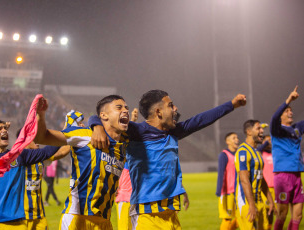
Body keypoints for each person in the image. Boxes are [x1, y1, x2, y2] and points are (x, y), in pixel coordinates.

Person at [89, 90, 247, 229]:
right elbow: (99, 118)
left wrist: (232, 105)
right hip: (147, 215)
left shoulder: (174, 132)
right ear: (158, 112)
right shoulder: (136, 132)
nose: (175, 109)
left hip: (171, 214)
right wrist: (96, 126)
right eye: (170, 105)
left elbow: (201, 120)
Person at [34, 95, 129, 230]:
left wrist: (96, 123)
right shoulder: (85, 135)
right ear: (104, 115)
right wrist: (40, 114)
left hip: (105, 221)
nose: (125, 110)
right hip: (78, 217)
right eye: (119, 108)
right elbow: (42, 137)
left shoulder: (125, 142)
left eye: (126, 108)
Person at [16, 128, 71, 229]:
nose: (37, 140)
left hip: (39, 215)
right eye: (33, 137)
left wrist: (74, 138)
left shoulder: (40, 158)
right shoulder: (17, 158)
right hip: (21, 217)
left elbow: (61, 153)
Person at [271, 86, 304, 230]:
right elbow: (274, 117)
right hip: (283, 176)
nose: (290, 112)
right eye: (286, 111)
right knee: (282, 214)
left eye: (291, 110)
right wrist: (289, 100)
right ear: (281, 116)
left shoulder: (296, 129)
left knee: (298, 215)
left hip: (297, 175)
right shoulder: (277, 130)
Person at [234, 120, 275, 230]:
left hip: (259, 200)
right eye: (258, 128)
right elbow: (244, 180)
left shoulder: (257, 152)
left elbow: (261, 178)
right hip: (246, 200)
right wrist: (251, 205)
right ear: (249, 132)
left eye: (262, 128)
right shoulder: (242, 151)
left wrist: (270, 201)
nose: (262, 131)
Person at [216, 132, 239, 230]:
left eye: (237, 137)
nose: (237, 139)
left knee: (241, 216)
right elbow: (221, 173)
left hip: (238, 192)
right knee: (227, 218)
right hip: (227, 192)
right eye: (234, 138)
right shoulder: (224, 155)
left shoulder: (239, 154)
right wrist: (220, 191)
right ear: (228, 141)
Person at [257, 135, 275, 230]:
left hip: (275, 186)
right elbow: (259, 148)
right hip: (265, 187)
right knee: (265, 210)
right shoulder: (261, 152)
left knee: (273, 211)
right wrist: (266, 143)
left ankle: (269, 227)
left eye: (270, 140)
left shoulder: (274, 153)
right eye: (267, 140)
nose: (269, 142)